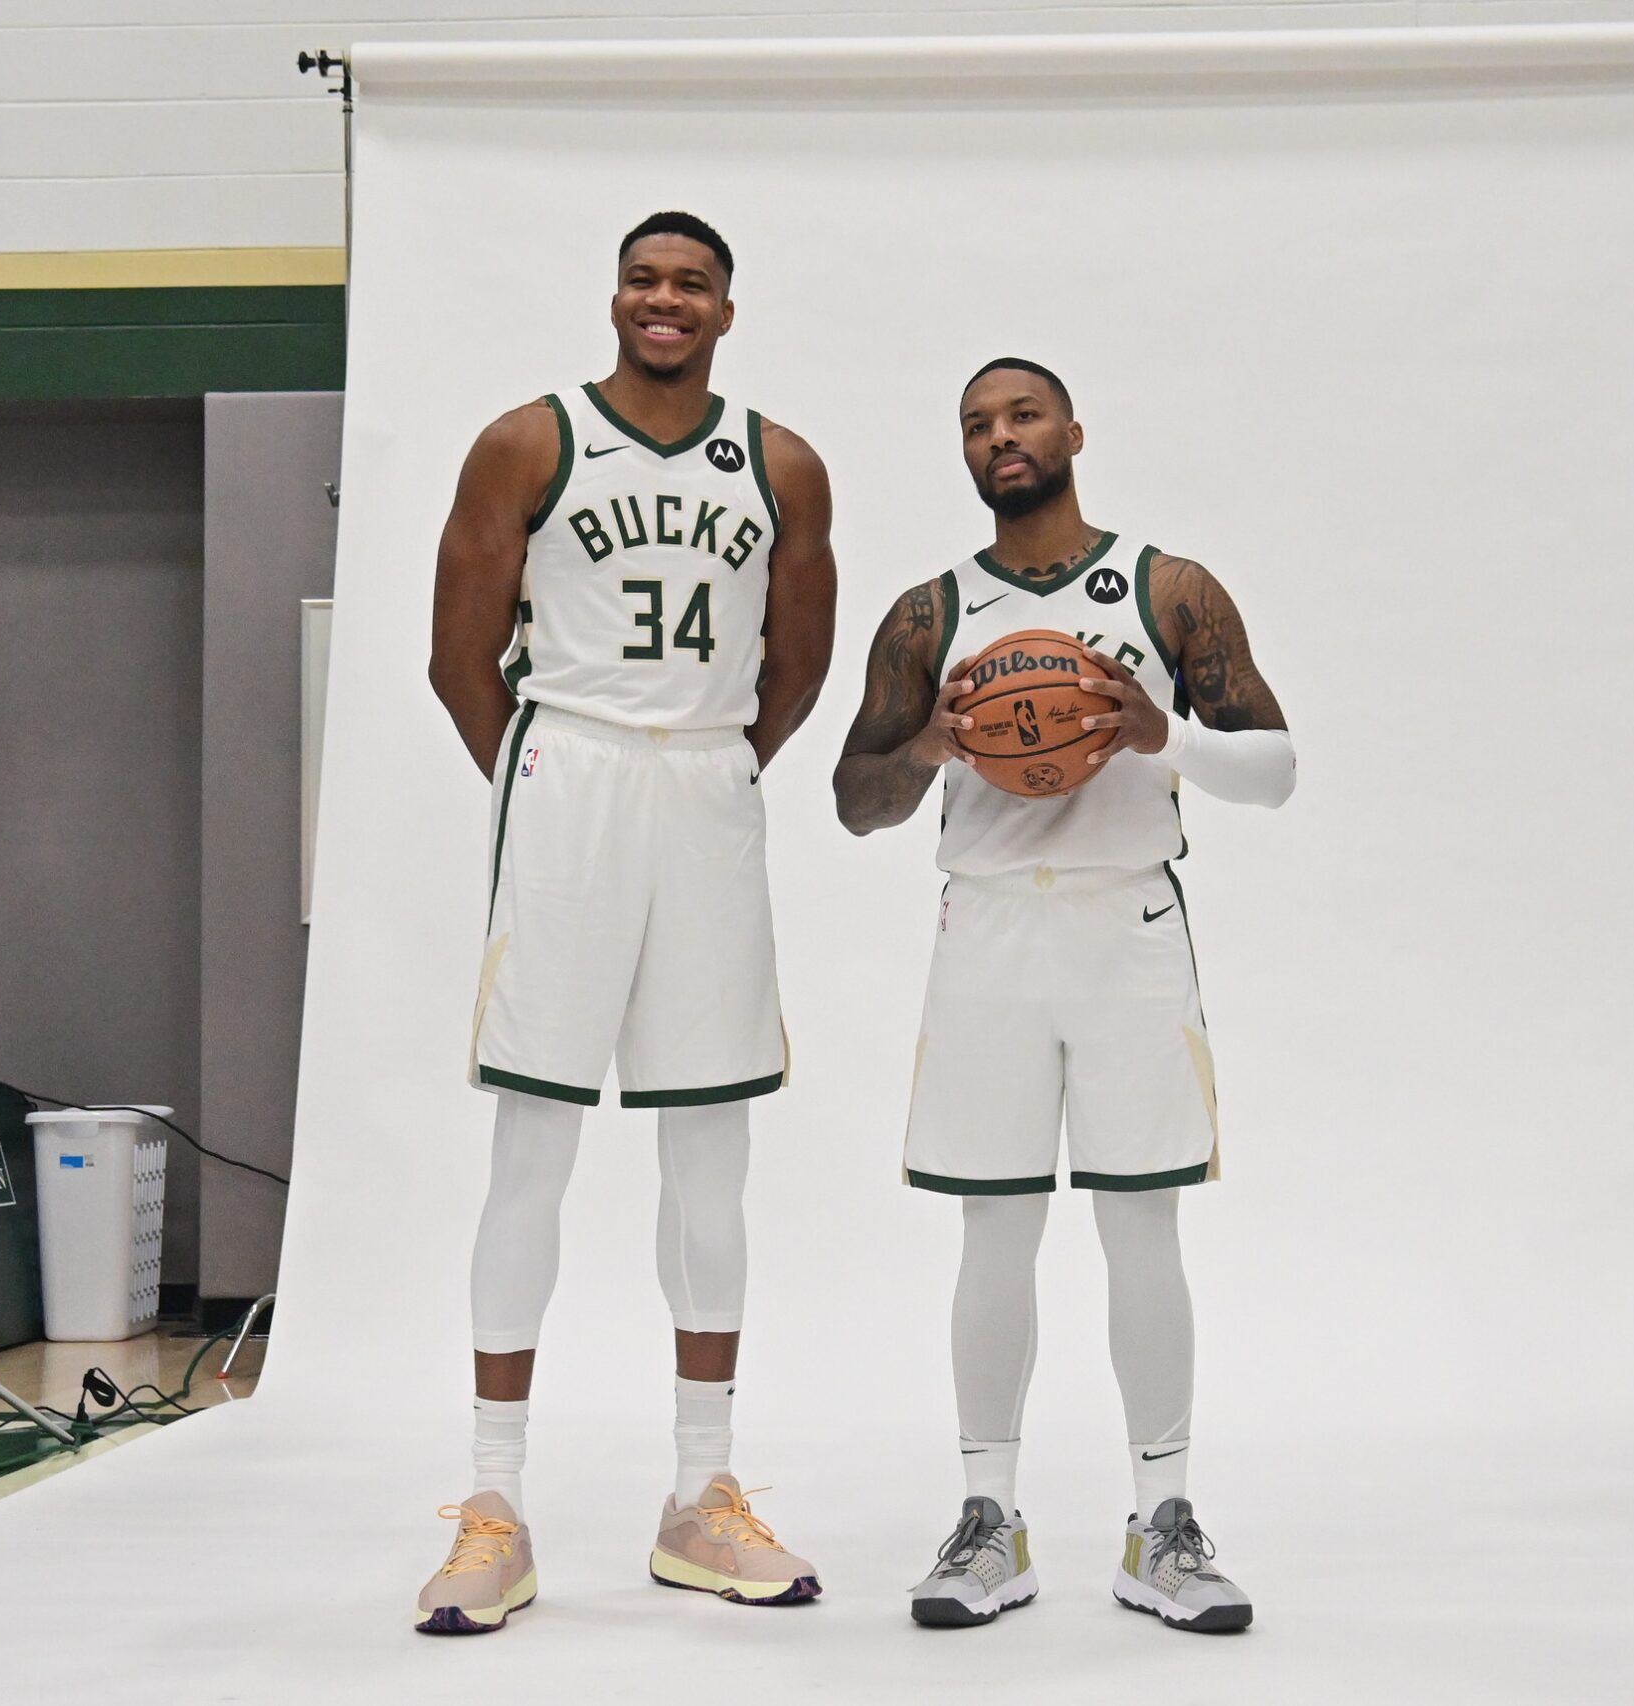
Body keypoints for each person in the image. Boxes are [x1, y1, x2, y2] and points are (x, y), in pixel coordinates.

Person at [417, 210, 836, 1634]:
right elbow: (454, 653)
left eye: (694, 283)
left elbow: (802, 658)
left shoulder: (780, 462)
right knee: (532, 1140)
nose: (667, 299)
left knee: (710, 1149)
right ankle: (492, 1503)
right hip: (571, 767)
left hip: (706, 780)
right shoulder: (528, 441)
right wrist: (543, 787)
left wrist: (708, 766)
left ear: (728, 307)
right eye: (646, 278)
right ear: (615, 295)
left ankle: (701, 1495)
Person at [833, 357, 1295, 1633]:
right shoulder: (930, 613)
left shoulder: (1168, 588)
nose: (1001, 437)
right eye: (977, 424)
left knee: (1142, 1222)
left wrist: (1164, 735)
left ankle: (1165, 1521)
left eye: (1022, 414)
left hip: (1127, 921)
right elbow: (852, 798)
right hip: (984, 928)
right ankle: (990, 1517)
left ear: (1073, 430)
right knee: (994, 1229)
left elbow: (1277, 766)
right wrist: (932, 743)